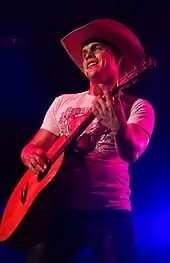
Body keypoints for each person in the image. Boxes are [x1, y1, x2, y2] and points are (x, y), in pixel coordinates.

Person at [21, 19, 155, 263]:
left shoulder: (137, 106)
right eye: (84, 52)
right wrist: (31, 155)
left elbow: (132, 152)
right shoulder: (62, 102)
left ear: (119, 60)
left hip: (109, 212)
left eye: (96, 48)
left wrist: (119, 128)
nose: (88, 55)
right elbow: (32, 146)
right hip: (60, 210)